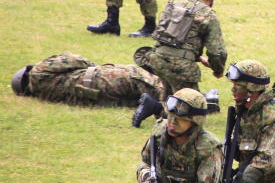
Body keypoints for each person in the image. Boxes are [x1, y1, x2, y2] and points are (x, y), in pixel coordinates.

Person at [132, 0, 227, 127]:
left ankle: (162, 116)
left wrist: (198, 58)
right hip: (181, 67)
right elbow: (217, 52)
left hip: (156, 59)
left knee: (170, 90)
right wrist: (218, 69)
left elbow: (173, 40)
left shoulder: (173, 6)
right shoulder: (209, 14)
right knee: (192, 106)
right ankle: (153, 106)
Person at [226, 59, 275, 183]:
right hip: (255, 182)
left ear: (251, 88)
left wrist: (243, 178)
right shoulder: (247, 109)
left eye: (238, 85)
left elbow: (268, 157)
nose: (233, 89)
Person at [137, 88, 223, 183]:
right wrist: (147, 176)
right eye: (170, 115)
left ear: (195, 121)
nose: (172, 121)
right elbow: (145, 163)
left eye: (180, 118)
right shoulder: (159, 134)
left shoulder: (207, 148)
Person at [11, 51, 163, 106]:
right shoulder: (38, 71)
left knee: (143, 97)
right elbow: (75, 60)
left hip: (100, 97)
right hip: (102, 79)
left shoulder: (42, 94)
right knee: (155, 84)